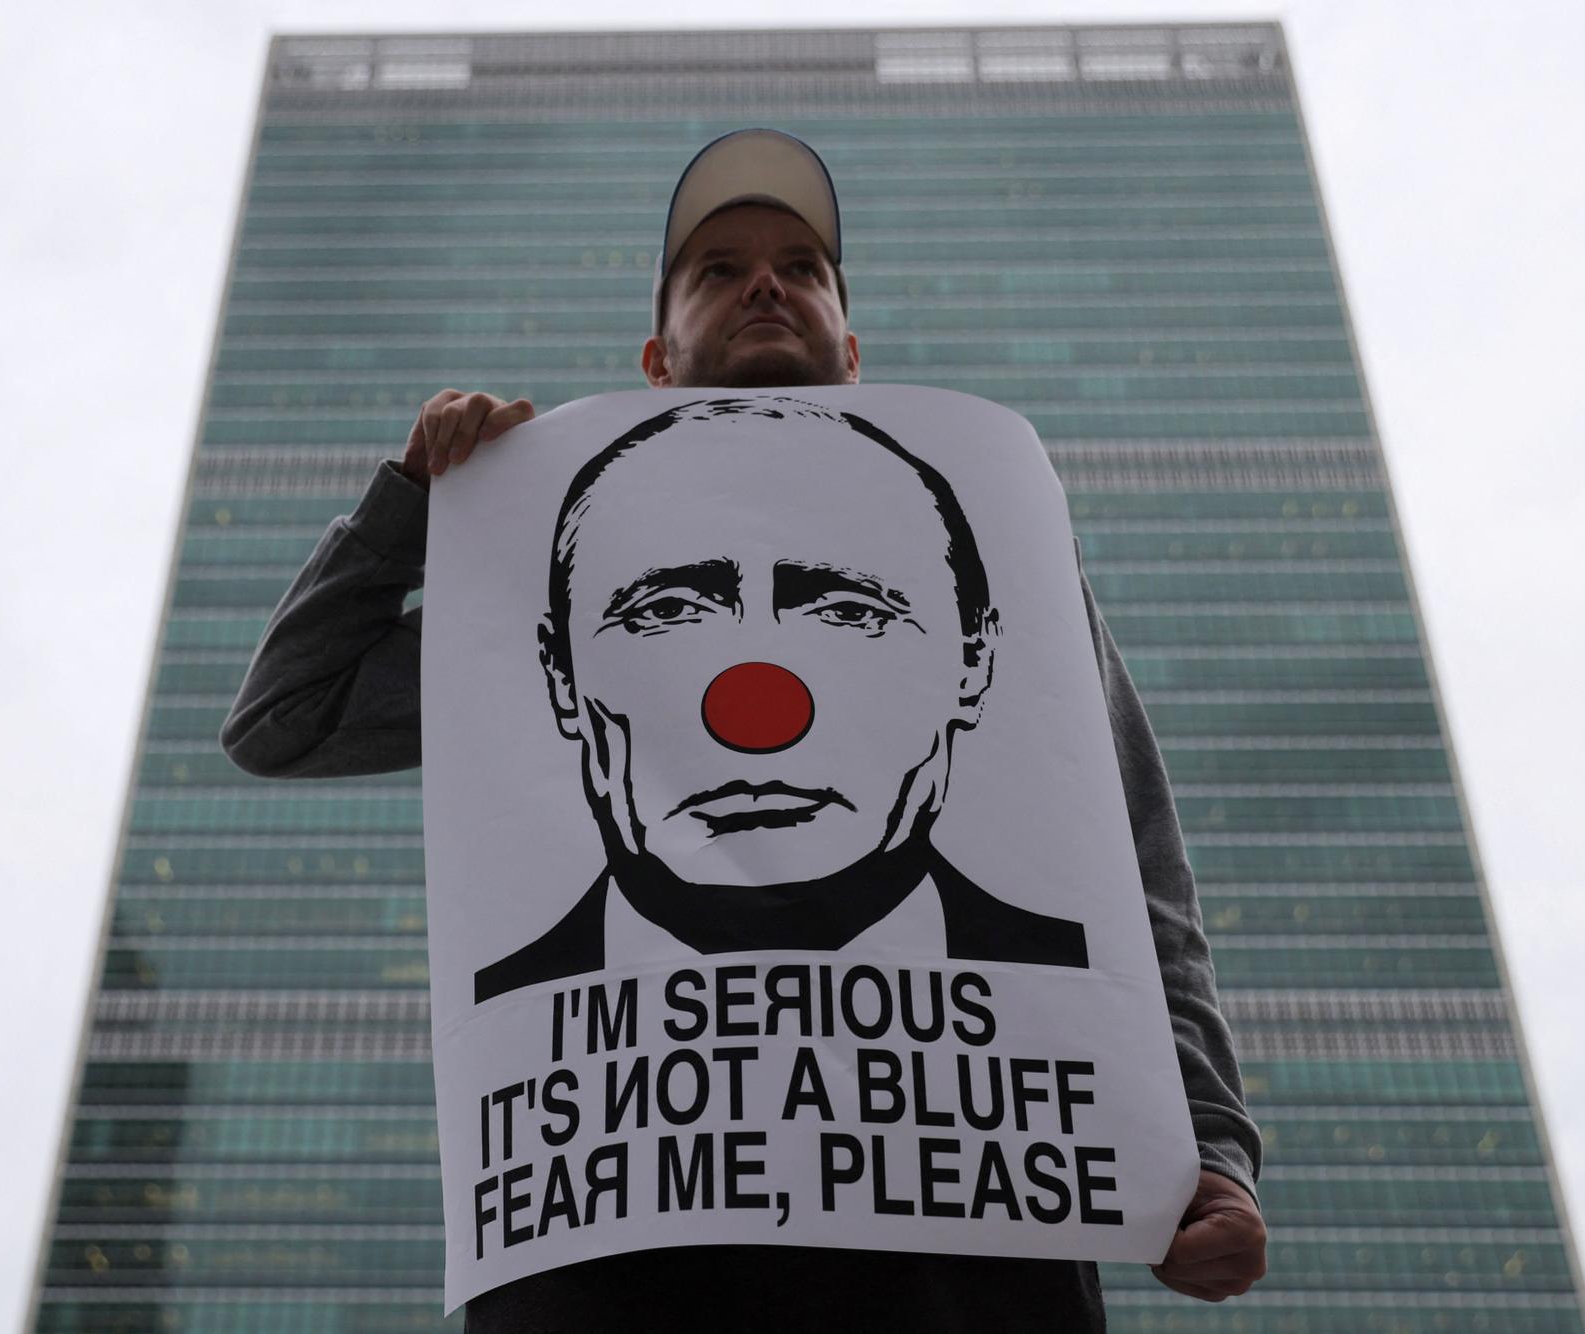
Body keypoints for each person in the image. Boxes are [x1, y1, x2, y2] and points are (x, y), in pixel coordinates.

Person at [224, 127, 1266, 1329]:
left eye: (800, 266)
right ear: (656, 361)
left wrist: (1212, 1146)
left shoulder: (1007, 547)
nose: (764, 281)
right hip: (605, 1259)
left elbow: (1139, 871)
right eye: (717, 268)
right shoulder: (544, 575)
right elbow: (282, 719)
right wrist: (409, 506)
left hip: (971, 1261)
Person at [476, 395, 1088, 1005]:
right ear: (561, 673)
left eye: (849, 612)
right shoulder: (494, 1021)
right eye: (667, 611)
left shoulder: (1087, 998)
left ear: (973, 661)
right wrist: (439, 503)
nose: (757, 719)